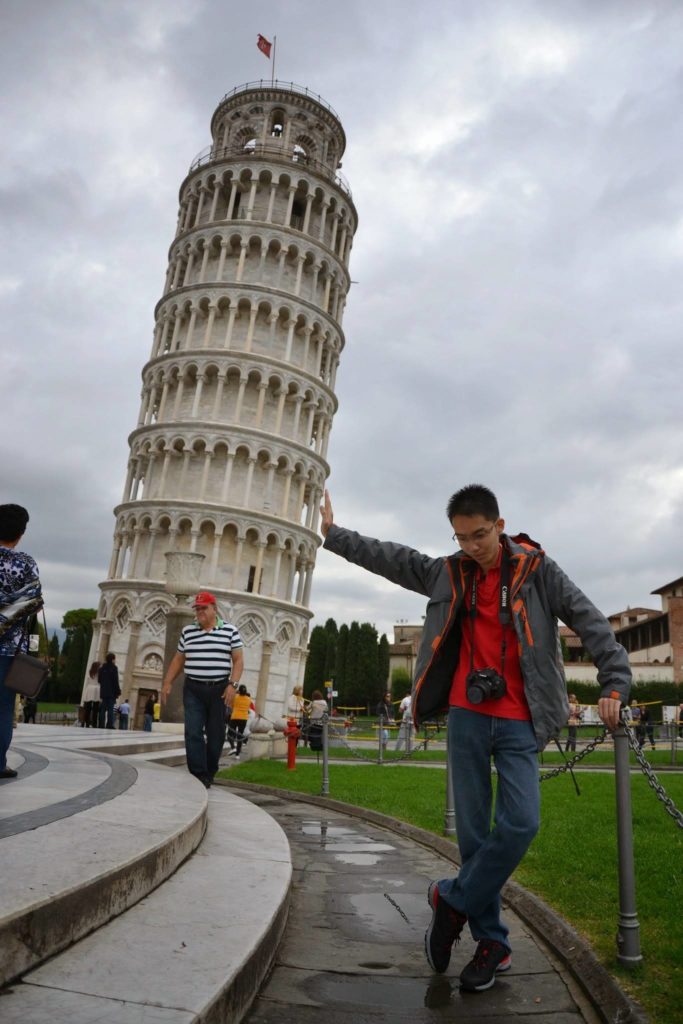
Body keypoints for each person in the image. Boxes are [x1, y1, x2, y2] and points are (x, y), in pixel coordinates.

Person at [319, 485, 630, 993]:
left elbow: (593, 623)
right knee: (474, 838)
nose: (471, 546)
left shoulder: (538, 571)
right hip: (466, 715)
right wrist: (334, 534)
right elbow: (392, 558)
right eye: (461, 537)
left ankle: (451, 899)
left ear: (500, 526)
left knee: (522, 823)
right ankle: (493, 944)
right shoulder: (449, 571)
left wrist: (614, 681)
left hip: (520, 719)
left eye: (480, 535)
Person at [161, 591, 243, 788]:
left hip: (219, 690)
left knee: (216, 736)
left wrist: (233, 685)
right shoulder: (188, 632)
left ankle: (210, 770)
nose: (200, 612)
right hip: (193, 689)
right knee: (193, 732)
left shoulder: (230, 631)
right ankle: (198, 774)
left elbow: (238, 660)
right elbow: (179, 658)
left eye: (203, 608)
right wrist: (167, 682)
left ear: (214, 609)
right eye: (197, 609)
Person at [0, 504, 43, 780]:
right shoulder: (26, 563)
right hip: (9, 649)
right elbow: (34, 601)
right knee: (4, 706)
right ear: (21, 534)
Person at [227, 684, 251, 760]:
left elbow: (231, 706)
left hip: (235, 717)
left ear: (239, 691)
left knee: (229, 734)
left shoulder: (235, 697)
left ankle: (233, 747)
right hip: (244, 718)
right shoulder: (248, 699)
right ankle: (237, 754)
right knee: (240, 736)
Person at [98, 653, 120, 728]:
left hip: (104, 691)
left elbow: (99, 680)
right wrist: (118, 691)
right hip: (111, 692)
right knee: (110, 709)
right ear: (113, 659)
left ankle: (101, 724)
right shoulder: (114, 668)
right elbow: (115, 681)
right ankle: (109, 724)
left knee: (103, 709)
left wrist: (104, 685)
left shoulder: (102, 668)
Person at [82, 661, 101, 727]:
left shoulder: (90, 672)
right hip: (96, 689)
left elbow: (87, 682)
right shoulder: (99, 673)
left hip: (89, 689)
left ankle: (86, 722)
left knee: (88, 707)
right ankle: (94, 723)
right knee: (95, 708)